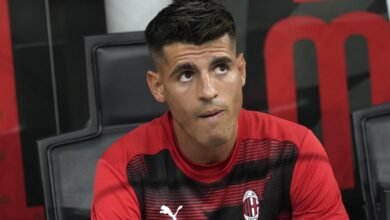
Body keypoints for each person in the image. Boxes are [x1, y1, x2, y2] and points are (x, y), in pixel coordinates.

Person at [91, 0, 349, 219]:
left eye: (221, 68)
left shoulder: (296, 150)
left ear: (242, 71)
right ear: (158, 86)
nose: (208, 91)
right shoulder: (124, 168)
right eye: (186, 74)